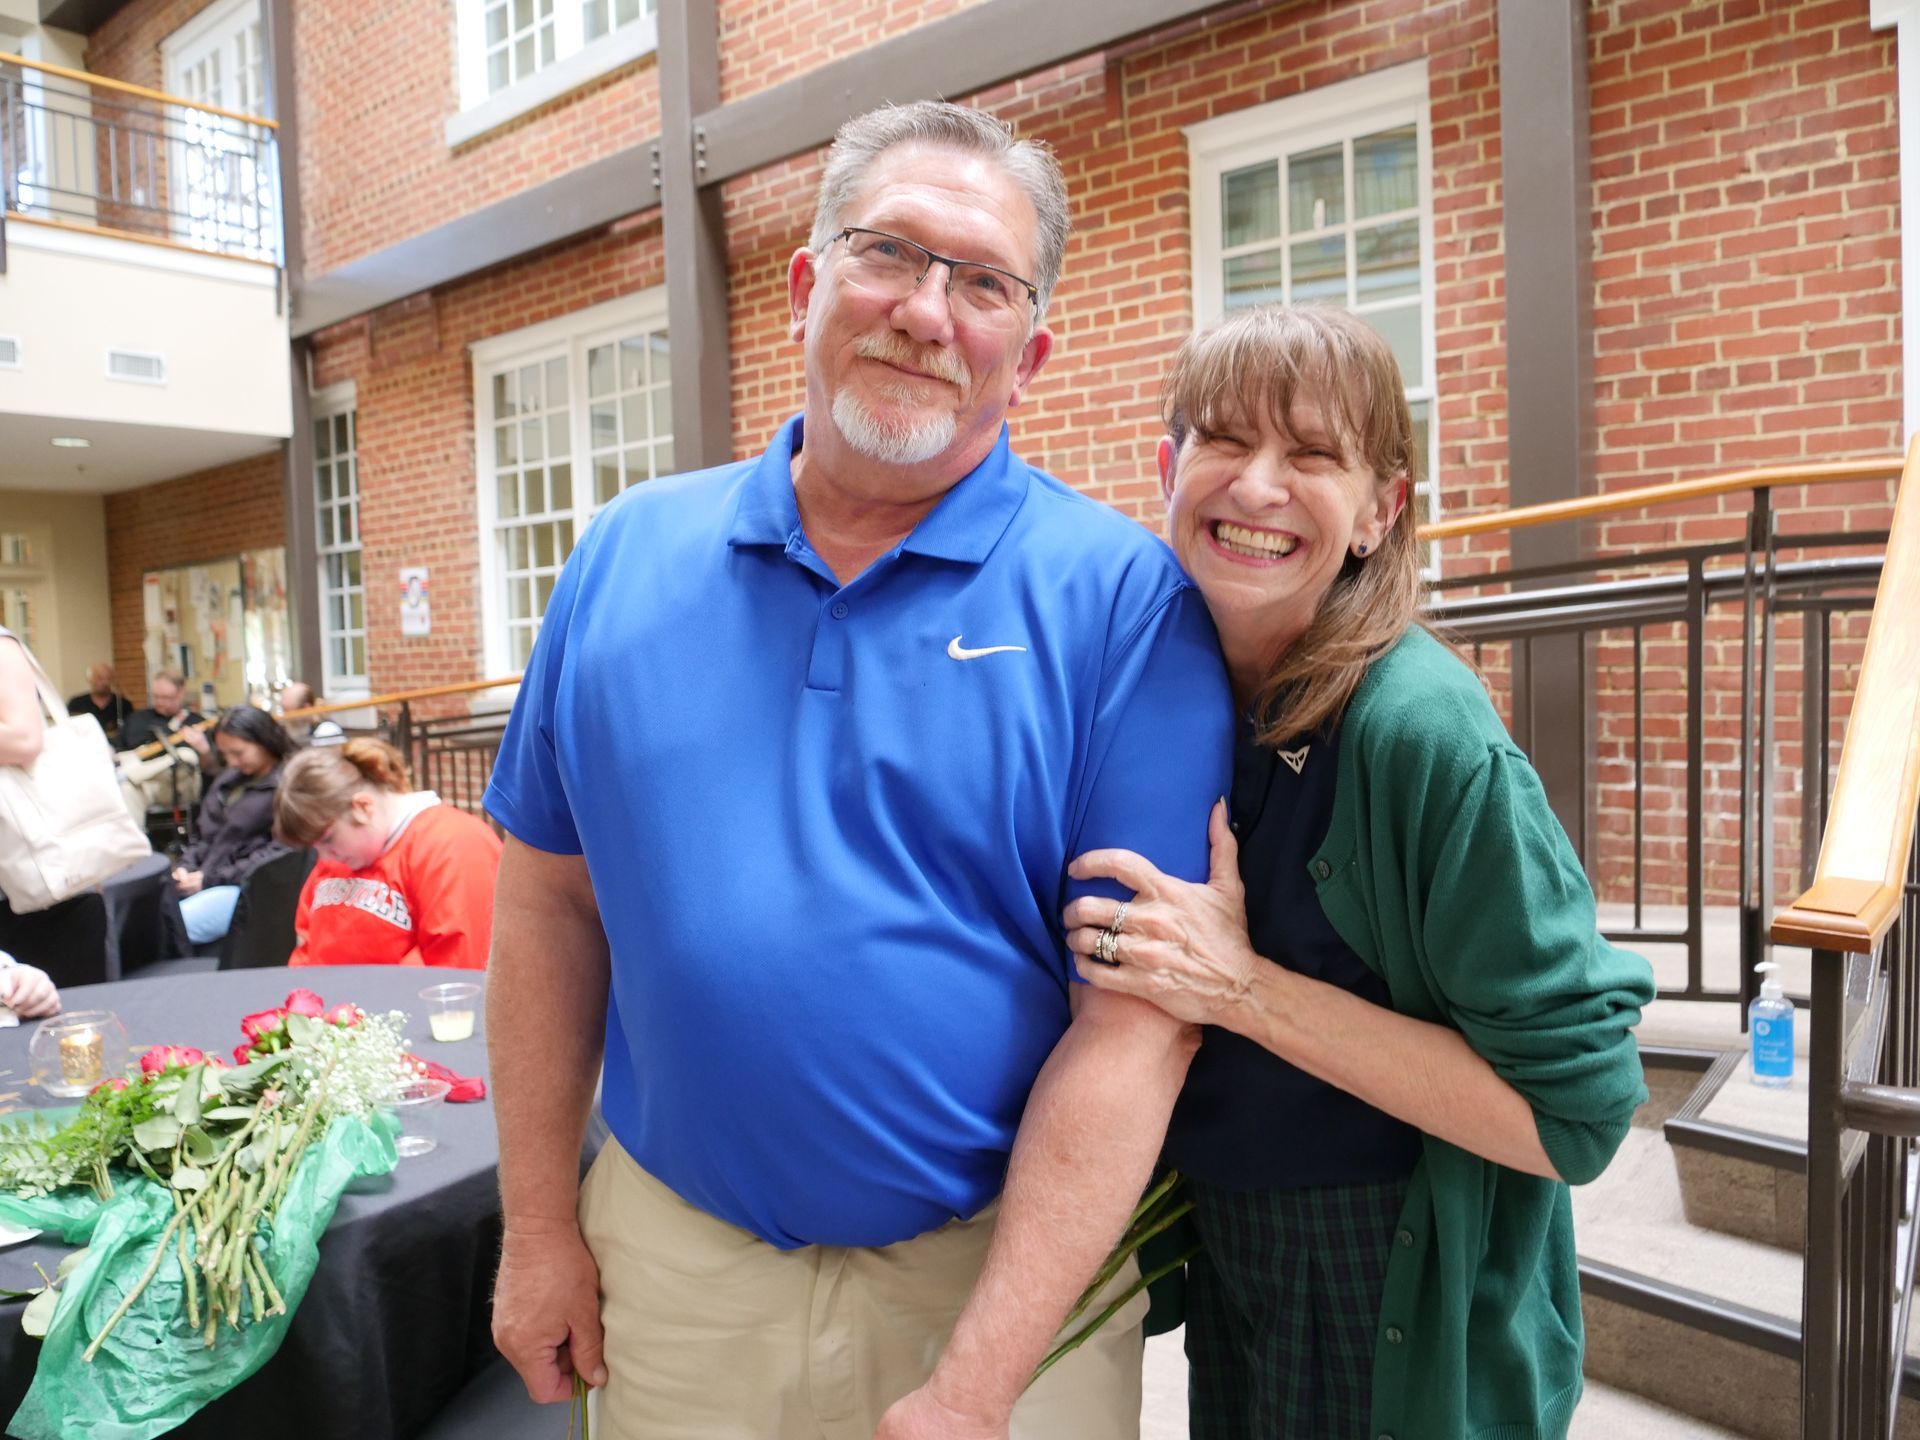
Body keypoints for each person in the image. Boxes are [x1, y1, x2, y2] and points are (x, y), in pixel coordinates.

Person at [483, 101, 1233, 1439]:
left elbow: (1135, 1026)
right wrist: (537, 1228)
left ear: (1032, 351)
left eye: (984, 282)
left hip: (995, 1279)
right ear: (806, 286)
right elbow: (545, 904)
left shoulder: (1124, 603)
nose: (927, 313)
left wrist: (980, 1382)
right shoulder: (619, 560)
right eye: (888, 253)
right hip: (674, 1269)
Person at [1058, 305, 1655, 1440]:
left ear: (1381, 511)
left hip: (1393, 1291)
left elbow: (1580, 1115)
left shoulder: (1423, 734)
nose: (1259, 485)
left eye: (1313, 455)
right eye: (1225, 439)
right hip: (1241, 1261)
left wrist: (1242, 988)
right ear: (1168, 466)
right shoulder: (1169, 686)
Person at [273, 738, 502, 969]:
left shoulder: (452, 844)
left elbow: (459, 964)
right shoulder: (341, 856)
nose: (324, 858)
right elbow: (307, 949)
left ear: (363, 807)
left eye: (328, 839)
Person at [172, 706, 294, 944]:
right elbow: (203, 836)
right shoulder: (228, 780)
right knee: (153, 917)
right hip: (209, 879)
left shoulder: (289, 785)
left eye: (238, 753)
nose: (231, 761)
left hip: (247, 888)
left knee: (175, 926)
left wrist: (208, 879)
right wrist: (185, 867)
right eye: (225, 754)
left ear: (265, 741)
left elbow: (279, 853)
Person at [67, 663, 132, 742]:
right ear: (89, 679)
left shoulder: (123, 704)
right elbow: (68, 730)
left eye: (108, 678)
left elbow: (130, 731)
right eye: (99, 678)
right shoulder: (76, 704)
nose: (104, 682)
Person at [278, 681, 345, 747]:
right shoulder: (293, 730)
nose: (285, 716)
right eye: (283, 710)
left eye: (288, 711)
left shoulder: (326, 730)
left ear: (306, 708)